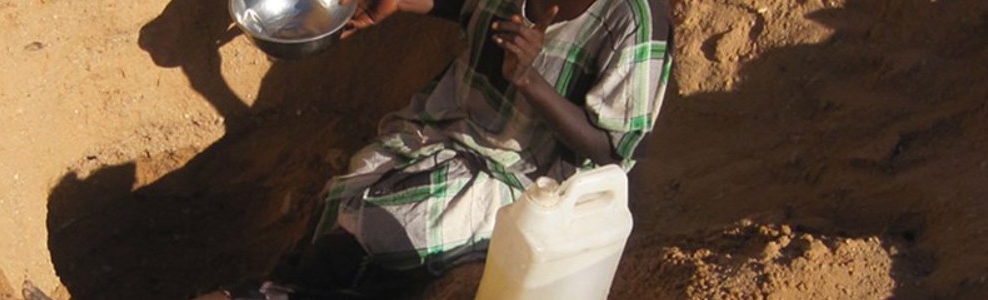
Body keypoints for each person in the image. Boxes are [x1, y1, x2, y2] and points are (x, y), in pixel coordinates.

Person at [214, 0, 672, 298]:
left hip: (524, 174)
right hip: (449, 125)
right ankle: (286, 282)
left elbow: (614, 150)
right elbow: (469, 4)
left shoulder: (634, 18)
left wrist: (531, 82)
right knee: (350, 188)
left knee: (394, 235)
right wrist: (396, 3)